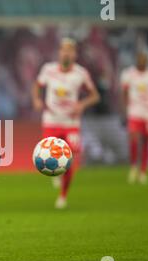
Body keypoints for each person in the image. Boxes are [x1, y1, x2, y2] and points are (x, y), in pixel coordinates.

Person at [32, 38, 100, 209]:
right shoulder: (48, 70)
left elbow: (95, 96)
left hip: (71, 123)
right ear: (59, 52)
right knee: (49, 152)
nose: (66, 53)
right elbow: (37, 86)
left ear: (75, 54)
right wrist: (36, 99)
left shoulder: (81, 73)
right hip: (51, 120)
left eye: (70, 50)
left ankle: (63, 195)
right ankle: (54, 173)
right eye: (63, 49)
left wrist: (82, 105)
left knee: (70, 160)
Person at [120, 52, 148, 184]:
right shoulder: (128, 74)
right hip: (134, 111)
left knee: (146, 142)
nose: (142, 61)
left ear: (147, 61)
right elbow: (124, 93)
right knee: (133, 139)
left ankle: (143, 171)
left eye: (144, 59)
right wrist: (124, 111)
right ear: (136, 60)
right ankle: (134, 166)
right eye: (140, 58)